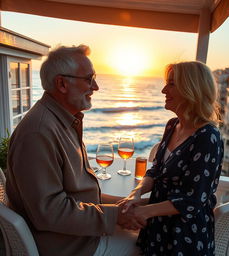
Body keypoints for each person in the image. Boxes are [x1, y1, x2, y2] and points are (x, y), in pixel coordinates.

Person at [6, 45, 143, 256]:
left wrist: (123, 206)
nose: (95, 86)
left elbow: (77, 195)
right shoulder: (38, 133)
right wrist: (116, 216)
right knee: (151, 245)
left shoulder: (62, 121)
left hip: (78, 235)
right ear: (62, 83)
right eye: (88, 79)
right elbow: (51, 212)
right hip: (70, 247)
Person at [119, 61, 224, 255]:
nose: (163, 90)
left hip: (184, 236)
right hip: (158, 228)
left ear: (191, 89)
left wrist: (144, 211)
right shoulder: (172, 125)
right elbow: (155, 170)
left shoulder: (208, 137)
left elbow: (193, 200)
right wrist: (136, 193)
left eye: (171, 84)